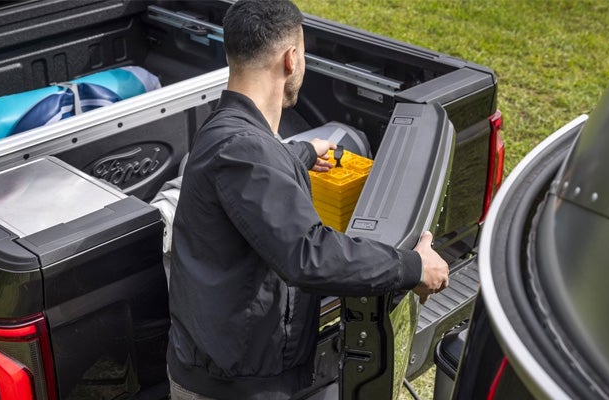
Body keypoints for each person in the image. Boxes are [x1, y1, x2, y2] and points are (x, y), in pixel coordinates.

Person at [166, 1, 449, 399]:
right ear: (291, 59)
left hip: (228, 371)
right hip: (230, 389)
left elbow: (256, 175)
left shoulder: (227, 130)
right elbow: (309, 255)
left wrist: (303, 153)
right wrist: (413, 266)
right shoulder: (243, 149)